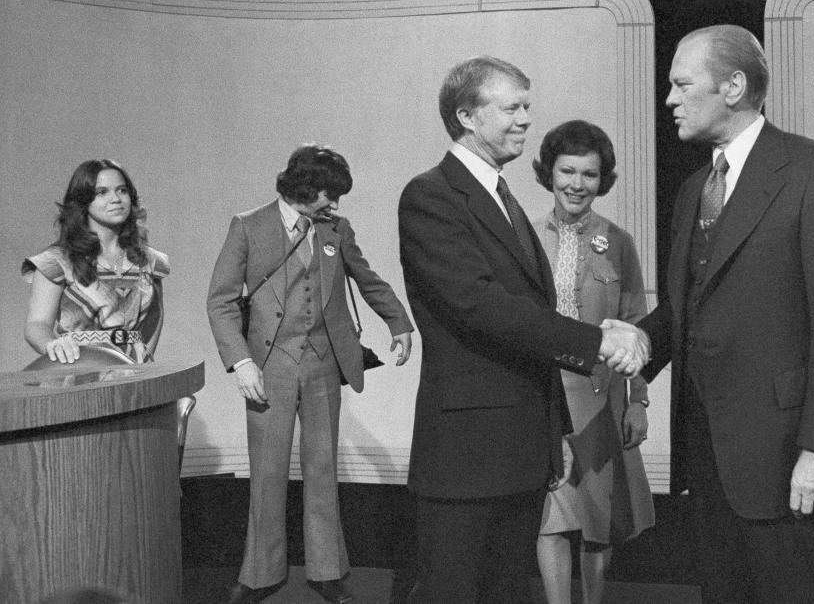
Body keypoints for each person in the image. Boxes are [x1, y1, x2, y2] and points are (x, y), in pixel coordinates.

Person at [637, 25, 814, 603]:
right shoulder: (694, 188)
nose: (668, 99)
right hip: (710, 465)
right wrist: (638, 342)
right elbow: (689, 307)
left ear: (735, 86)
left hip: (790, 463)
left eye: (681, 83)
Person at [397, 55, 646, 604]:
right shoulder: (432, 195)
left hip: (518, 449)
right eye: (512, 107)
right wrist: (597, 341)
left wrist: (551, 428)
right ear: (466, 115)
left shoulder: (502, 196)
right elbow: (481, 306)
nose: (525, 119)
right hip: (466, 455)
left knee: (504, 591)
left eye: (527, 106)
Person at [206, 145, 414, 604]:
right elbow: (220, 300)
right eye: (330, 194)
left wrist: (399, 322)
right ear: (304, 188)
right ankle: (259, 574)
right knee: (267, 472)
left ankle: (327, 571)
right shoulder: (248, 226)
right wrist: (240, 362)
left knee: (323, 469)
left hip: (322, 363)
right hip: (268, 366)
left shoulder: (335, 230)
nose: (336, 205)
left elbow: (368, 278)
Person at [531, 120, 655, 604]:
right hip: (544, 395)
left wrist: (639, 401)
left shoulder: (619, 241)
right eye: (567, 172)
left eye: (588, 174)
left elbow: (637, 328)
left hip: (602, 400)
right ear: (548, 173)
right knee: (552, 514)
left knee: (597, 521)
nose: (576, 185)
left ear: (602, 180)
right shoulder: (525, 236)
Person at [23, 159, 169, 365]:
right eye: (102, 192)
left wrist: (143, 363)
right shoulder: (58, 260)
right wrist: (52, 345)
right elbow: (37, 324)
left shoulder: (149, 261)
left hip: (135, 373)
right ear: (83, 201)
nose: (116, 199)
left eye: (122, 190)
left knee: (182, 397)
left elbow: (155, 319)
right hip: (81, 368)